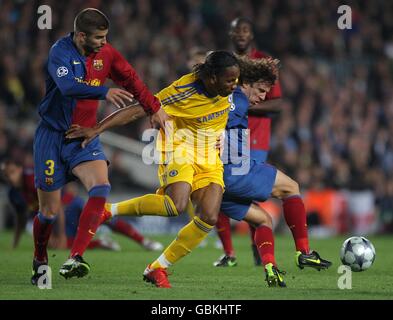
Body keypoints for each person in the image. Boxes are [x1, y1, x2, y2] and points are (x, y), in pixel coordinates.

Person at [66, 50, 241, 288]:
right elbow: (139, 108)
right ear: (212, 78)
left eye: (236, 79)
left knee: (209, 216)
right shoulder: (182, 92)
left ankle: (157, 268)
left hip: (209, 154)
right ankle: (109, 210)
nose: (234, 85)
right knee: (175, 206)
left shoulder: (227, 85)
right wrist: (96, 129)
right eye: (230, 80)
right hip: (179, 146)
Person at [31, 8, 168, 285]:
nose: (104, 42)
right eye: (99, 37)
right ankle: (40, 258)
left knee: (101, 186)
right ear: (81, 36)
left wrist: (155, 108)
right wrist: (104, 91)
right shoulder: (60, 52)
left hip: (83, 137)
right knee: (48, 213)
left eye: (106, 36)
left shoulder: (107, 54)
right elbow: (68, 86)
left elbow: (131, 79)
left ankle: (75, 256)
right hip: (52, 137)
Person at [218, 57, 332, 287]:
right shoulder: (238, 98)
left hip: (216, 183)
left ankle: (271, 269)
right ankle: (304, 252)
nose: (262, 98)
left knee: (263, 220)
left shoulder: (224, 96)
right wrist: (216, 140)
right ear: (246, 82)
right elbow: (222, 120)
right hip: (236, 171)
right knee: (291, 188)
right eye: (260, 91)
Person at [214, 17, 284, 267]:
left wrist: (242, 106)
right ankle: (230, 251)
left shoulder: (263, 62)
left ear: (252, 34)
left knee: (246, 191)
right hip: (227, 136)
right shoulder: (224, 63)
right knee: (221, 187)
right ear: (231, 34)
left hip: (256, 139)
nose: (241, 34)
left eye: (245, 29)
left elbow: (277, 103)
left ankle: (258, 248)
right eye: (237, 30)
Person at [63, 183, 163, 251]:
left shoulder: (73, 200)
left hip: (71, 218)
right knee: (58, 243)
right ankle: (100, 243)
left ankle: (143, 240)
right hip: (61, 226)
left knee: (106, 216)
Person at [1, 159, 67, 249]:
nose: (10, 177)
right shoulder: (13, 193)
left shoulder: (33, 181)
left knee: (62, 242)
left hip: (65, 212)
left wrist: (61, 235)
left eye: (12, 172)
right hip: (46, 216)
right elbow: (20, 217)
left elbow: (58, 205)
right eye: (6, 175)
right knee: (45, 241)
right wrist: (15, 243)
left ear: (20, 169)